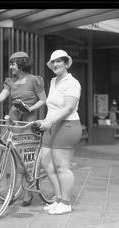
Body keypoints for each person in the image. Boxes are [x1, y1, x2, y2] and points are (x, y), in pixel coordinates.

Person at [0, 51, 46, 206]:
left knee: (26, 155)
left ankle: (27, 192)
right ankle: (9, 189)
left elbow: (43, 100)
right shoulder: (10, 81)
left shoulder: (34, 80)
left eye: (13, 63)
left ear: (21, 63)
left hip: (28, 120)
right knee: (8, 153)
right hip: (13, 120)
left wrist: (30, 109)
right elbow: (0, 97)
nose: (11, 67)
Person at [38, 50, 82, 215]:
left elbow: (68, 107)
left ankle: (66, 203)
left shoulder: (72, 82)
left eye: (59, 61)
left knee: (61, 166)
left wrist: (50, 121)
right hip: (51, 125)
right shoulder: (53, 81)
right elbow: (53, 107)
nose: (56, 64)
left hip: (67, 125)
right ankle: (58, 199)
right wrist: (45, 121)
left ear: (65, 63)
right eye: (53, 62)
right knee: (47, 164)